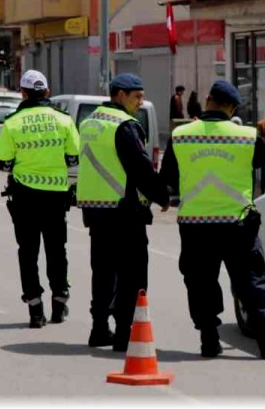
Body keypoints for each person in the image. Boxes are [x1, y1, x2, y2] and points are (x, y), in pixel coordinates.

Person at [160, 80, 265, 359]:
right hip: (238, 222)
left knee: (200, 281)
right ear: (232, 108)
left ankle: (209, 338)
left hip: (196, 224)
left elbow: (168, 176)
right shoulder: (247, 136)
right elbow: (263, 164)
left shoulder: (181, 135)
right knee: (251, 280)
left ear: (207, 100)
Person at [77, 73, 171, 351]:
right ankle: (122, 334)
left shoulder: (89, 122)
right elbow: (140, 168)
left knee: (103, 272)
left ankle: (98, 329)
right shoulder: (124, 126)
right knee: (131, 274)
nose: (141, 103)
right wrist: (161, 195)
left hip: (96, 209)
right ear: (120, 95)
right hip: (124, 211)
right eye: (137, 96)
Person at [0, 70, 81, 328]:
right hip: (56, 198)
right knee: (57, 251)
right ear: (47, 92)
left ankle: (35, 310)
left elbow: (1, 161)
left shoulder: (13, 122)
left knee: (28, 253)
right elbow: (74, 157)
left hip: (24, 198)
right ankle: (60, 304)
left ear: (23, 92)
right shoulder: (63, 120)